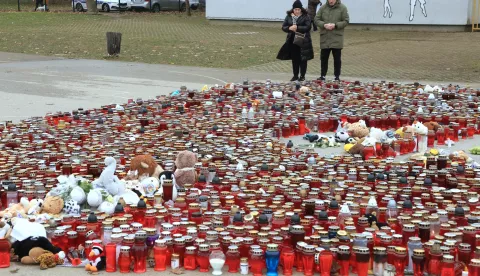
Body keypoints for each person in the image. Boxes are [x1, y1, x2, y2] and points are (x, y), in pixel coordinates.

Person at [276, 0, 314, 82]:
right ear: (293, 9)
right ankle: (295, 75)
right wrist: (289, 28)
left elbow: (308, 27)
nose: (297, 11)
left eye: (298, 9)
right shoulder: (289, 16)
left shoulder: (306, 16)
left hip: (303, 40)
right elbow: (284, 26)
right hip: (292, 40)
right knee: (295, 59)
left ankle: (302, 76)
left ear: (301, 9)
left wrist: (297, 27)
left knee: (303, 59)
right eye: (295, 9)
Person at [314, 0, 349, 81]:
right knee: (323, 59)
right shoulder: (323, 8)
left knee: (337, 59)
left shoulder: (342, 8)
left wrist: (335, 25)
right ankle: (323, 76)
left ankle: (337, 76)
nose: (331, 1)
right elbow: (316, 19)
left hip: (337, 38)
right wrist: (324, 25)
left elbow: (346, 21)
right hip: (325, 38)